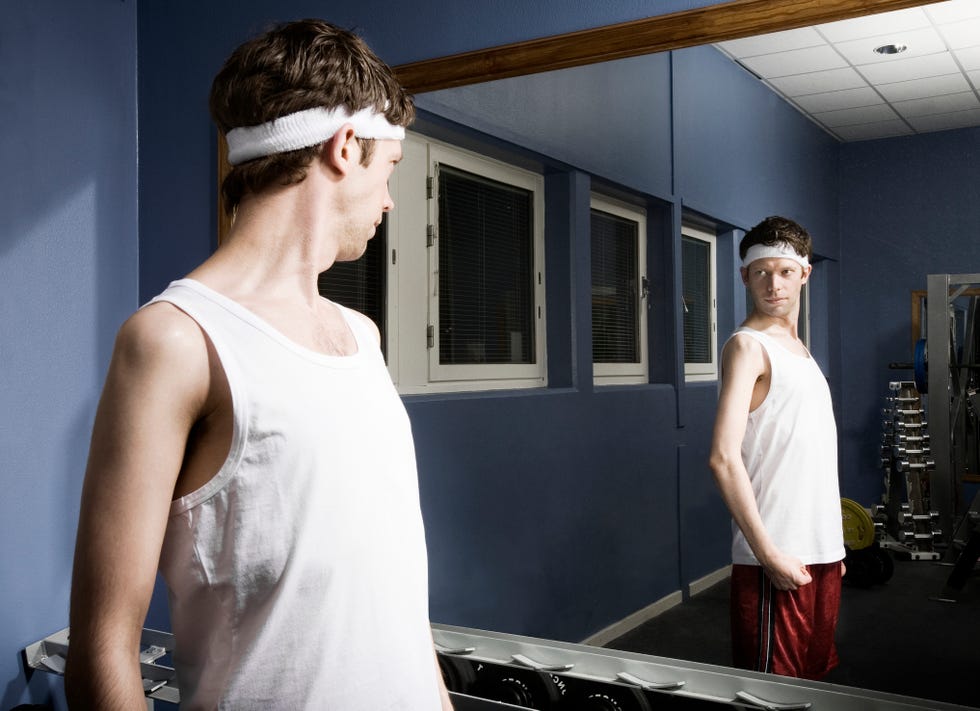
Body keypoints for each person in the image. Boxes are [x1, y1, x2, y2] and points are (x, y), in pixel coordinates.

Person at [65, 19, 453, 710]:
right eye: (390, 167)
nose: (391, 201)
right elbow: (102, 649)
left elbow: (394, 596)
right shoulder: (174, 341)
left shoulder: (363, 338)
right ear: (344, 149)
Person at [708, 216, 845, 680]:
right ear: (744, 276)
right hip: (776, 555)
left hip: (820, 552)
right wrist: (768, 555)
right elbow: (723, 459)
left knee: (813, 681)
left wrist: (834, 545)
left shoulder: (801, 352)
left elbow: (810, 455)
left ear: (804, 273)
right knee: (771, 692)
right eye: (761, 272)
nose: (773, 284)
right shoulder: (747, 347)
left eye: (785, 271)